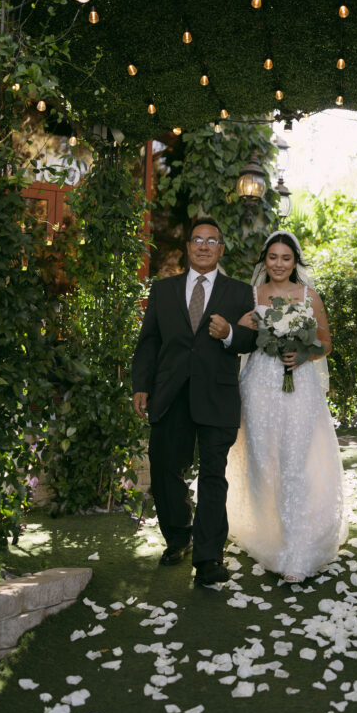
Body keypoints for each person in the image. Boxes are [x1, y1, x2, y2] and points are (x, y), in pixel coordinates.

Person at [132, 217, 257, 588]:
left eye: (212, 240)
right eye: (197, 239)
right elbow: (150, 341)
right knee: (165, 470)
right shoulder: (163, 289)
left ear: (220, 249)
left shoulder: (239, 293)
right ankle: (178, 535)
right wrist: (141, 385)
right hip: (170, 393)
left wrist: (230, 333)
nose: (204, 246)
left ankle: (208, 558)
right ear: (188, 247)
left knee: (213, 476)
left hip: (217, 396)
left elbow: (253, 341)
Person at [226, 231, 347, 582]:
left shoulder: (309, 296)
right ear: (264, 259)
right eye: (273, 257)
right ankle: (269, 537)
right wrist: (241, 326)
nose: (279, 264)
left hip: (298, 387)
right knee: (263, 459)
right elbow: (240, 336)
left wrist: (304, 353)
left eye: (286, 258)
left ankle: (297, 548)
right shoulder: (251, 295)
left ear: (295, 262)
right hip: (259, 386)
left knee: (295, 462)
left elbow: (326, 343)